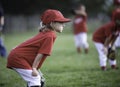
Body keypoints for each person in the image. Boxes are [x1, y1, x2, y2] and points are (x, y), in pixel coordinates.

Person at [7, 9, 70, 87]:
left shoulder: (46, 33)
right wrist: (34, 68)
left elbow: (31, 43)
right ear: (52, 23)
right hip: (18, 58)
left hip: (17, 56)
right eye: (61, 22)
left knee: (39, 80)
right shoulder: (50, 36)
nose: (63, 25)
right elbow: (41, 53)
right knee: (35, 79)